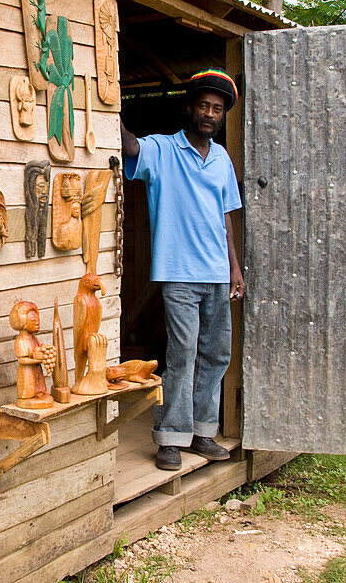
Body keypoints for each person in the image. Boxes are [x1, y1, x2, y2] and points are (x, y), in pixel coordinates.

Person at [120, 68, 245, 470]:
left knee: (216, 354)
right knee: (183, 353)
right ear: (189, 107)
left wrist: (236, 269)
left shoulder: (222, 157)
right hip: (179, 273)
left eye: (217, 109)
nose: (210, 114)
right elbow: (132, 148)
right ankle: (171, 438)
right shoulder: (164, 149)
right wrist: (105, 104)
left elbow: (224, 216)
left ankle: (203, 432)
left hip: (217, 273)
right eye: (204, 106)